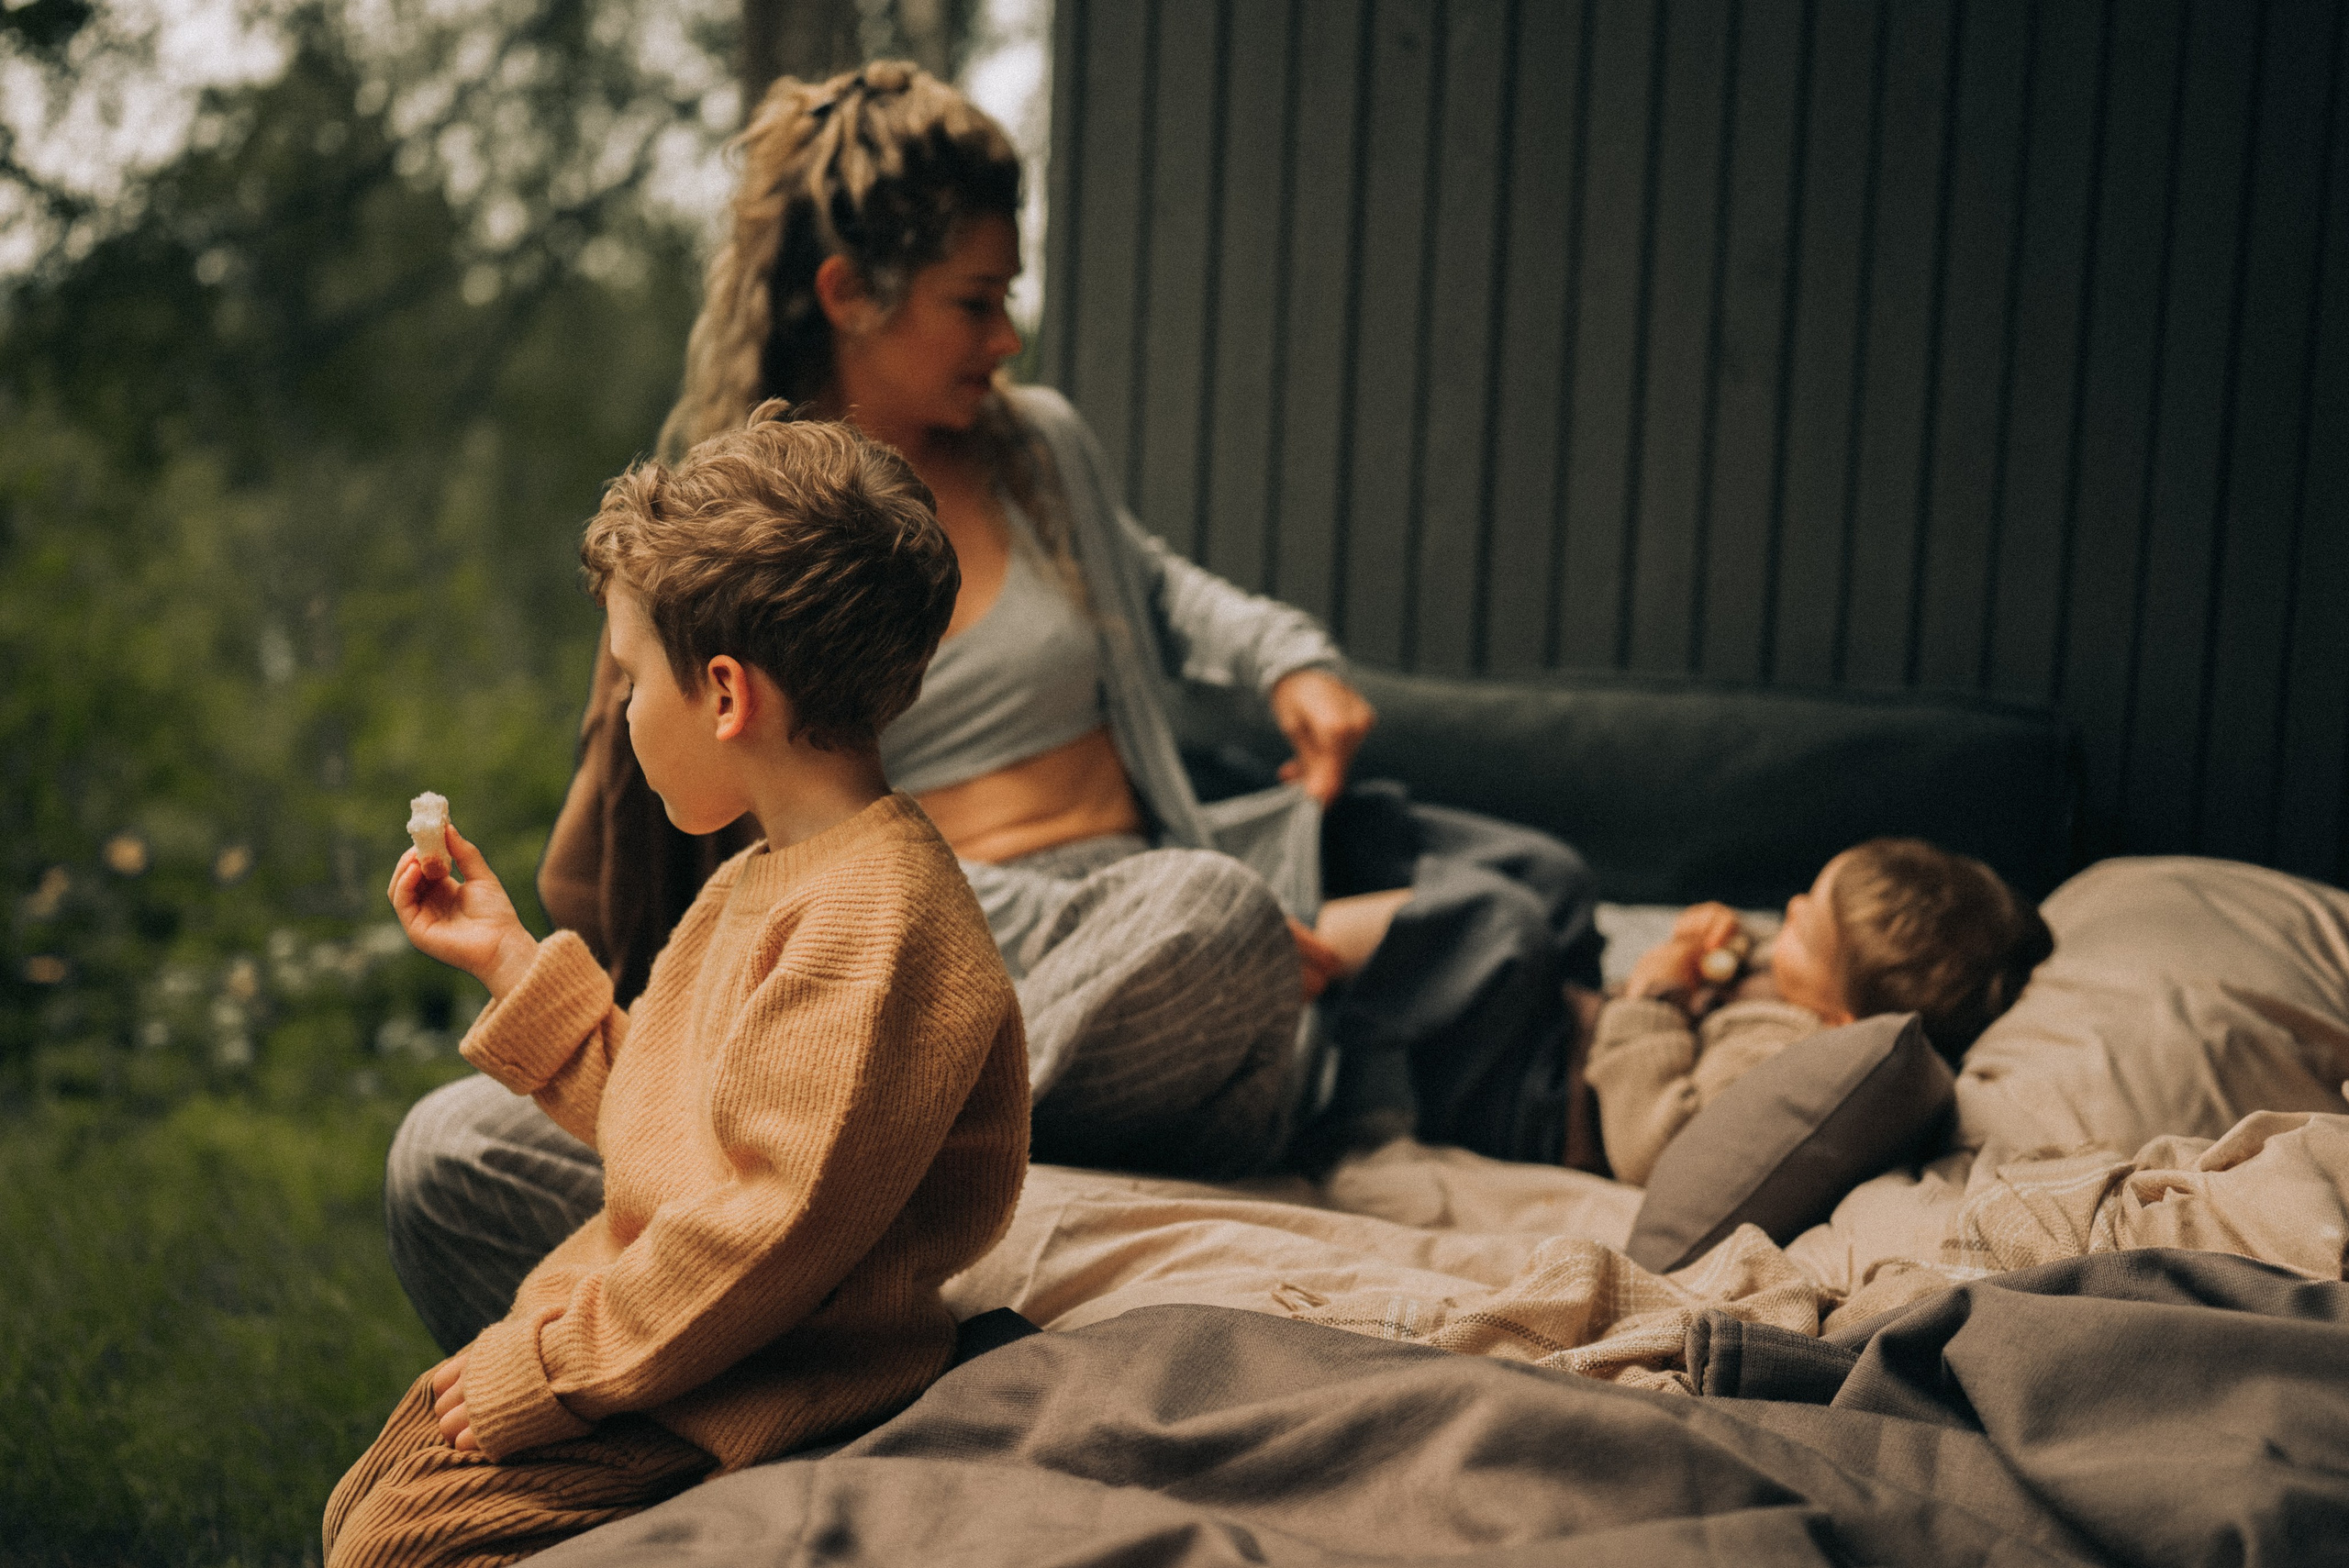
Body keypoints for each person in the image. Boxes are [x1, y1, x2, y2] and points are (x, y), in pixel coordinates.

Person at [384, 60, 1601, 1355]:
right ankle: (867, 1140)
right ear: (847, 295)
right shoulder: (737, 537)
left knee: (1336, 904)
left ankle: (867, 1154)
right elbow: (638, 828)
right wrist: (542, 956)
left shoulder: (1036, 447)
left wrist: (1288, 662)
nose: (1007, 336)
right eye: (976, 302)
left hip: (1134, 910)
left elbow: (1160, 586)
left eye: (1008, 296)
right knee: (449, 1149)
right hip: (931, 953)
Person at [325, 409, 1028, 1567]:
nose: (623, 711)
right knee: (369, 1501)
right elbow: (668, 1122)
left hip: (763, 1381)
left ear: (725, 694)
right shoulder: (758, 881)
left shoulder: (875, 920)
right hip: (677, 1348)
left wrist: (549, 1367)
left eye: (629, 679)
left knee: (398, 1545)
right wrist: (507, 956)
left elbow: (760, 1233)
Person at [1586, 838, 2054, 1185]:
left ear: (1843, 1023)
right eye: (1808, 898)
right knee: (1558, 874)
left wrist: (1653, 997)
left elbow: (1652, 1147)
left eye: (1805, 930)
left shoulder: (1772, 1054)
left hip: (1570, 1093)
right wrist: (1720, 937)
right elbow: (1777, 961)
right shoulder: (1816, 983)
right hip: (1587, 1003)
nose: (1791, 907)